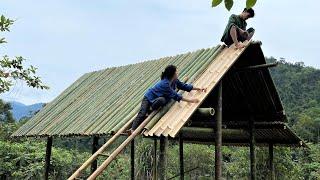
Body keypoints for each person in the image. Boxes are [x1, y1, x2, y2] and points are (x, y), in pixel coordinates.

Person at [129, 65, 206, 133]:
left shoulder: (175, 81)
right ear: (172, 74)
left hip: (158, 99)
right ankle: (132, 129)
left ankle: (150, 109)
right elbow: (176, 96)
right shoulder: (165, 84)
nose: (177, 74)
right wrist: (191, 100)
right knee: (142, 112)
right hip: (149, 98)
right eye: (176, 72)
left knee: (163, 100)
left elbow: (184, 86)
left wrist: (199, 88)